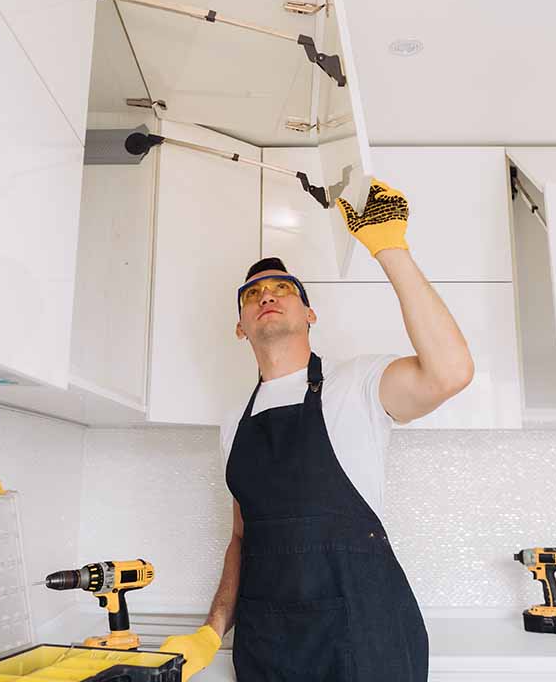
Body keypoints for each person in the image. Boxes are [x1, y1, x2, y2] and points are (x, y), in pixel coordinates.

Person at [161, 180, 474, 681]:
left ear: (309, 313)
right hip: (269, 650)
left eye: (284, 288)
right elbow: (243, 537)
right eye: (253, 293)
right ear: (241, 325)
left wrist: (390, 250)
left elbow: (451, 372)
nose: (268, 295)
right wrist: (212, 629)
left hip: (365, 639)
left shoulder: (359, 385)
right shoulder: (232, 426)